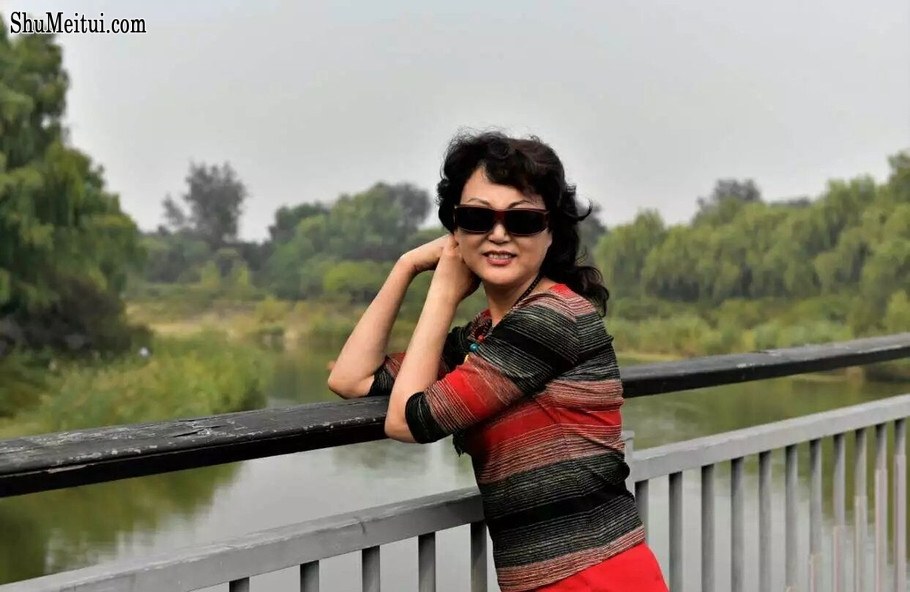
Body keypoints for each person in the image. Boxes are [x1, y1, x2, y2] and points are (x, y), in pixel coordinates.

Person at [327, 131, 668, 592]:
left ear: (551, 232)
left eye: (522, 220)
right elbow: (351, 378)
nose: (499, 234)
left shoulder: (551, 320)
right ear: (455, 230)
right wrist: (405, 266)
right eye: (477, 217)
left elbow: (407, 422)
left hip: (593, 577)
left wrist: (443, 291)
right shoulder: (486, 334)